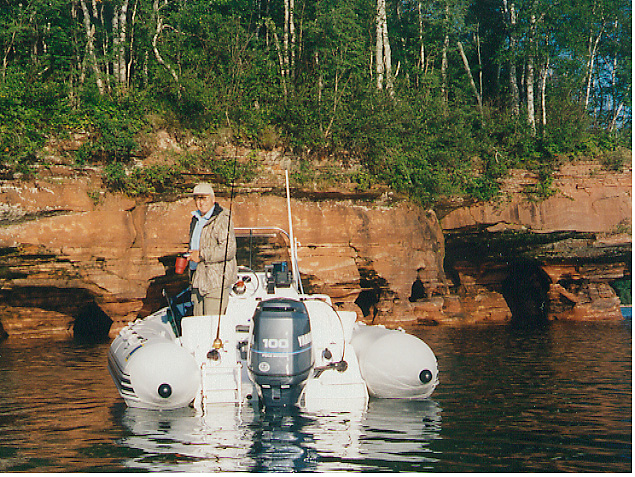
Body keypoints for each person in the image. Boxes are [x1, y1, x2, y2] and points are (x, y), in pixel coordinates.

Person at [187, 182, 237, 315]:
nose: (201, 202)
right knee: (199, 326)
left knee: (212, 326)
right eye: (197, 199)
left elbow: (229, 249)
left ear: (213, 199)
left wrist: (201, 255)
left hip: (215, 283)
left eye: (204, 198)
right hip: (197, 282)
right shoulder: (196, 219)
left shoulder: (222, 218)